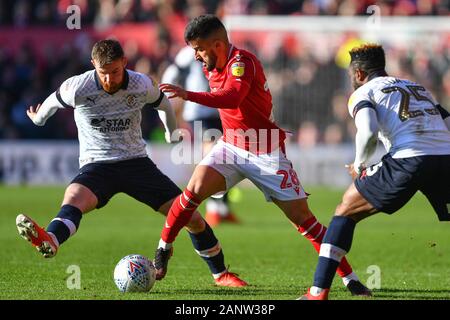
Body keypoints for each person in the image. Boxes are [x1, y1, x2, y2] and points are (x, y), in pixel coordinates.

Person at [153, 14, 371, 296]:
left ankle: (349, 278)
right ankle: (163, 249)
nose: (195, 55)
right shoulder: (211, 65)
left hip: (265, 150)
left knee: (303, 220)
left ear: (217, 44)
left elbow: (233, 98)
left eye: (199, 48)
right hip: (230, 146)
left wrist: (188, 95)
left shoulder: (242, 63)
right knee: (192, 192)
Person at [15, 39, 247, 288]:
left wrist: (171, 131)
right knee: (73, 199)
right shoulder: (77, 87)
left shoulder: (140, 83)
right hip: (98, 165)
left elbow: (163, 103)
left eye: (115, 72)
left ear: (124, 63)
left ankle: (221, 275)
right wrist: (38, 119)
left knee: (190, 217)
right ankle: (50, 239)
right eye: (103, 73)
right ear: (93, 65)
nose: (109, 80)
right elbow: (49, 105)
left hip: (137, 164)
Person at [301, 43, 450, 300]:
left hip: (408, 159)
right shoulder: (416, 86)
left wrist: (359, 165)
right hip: (445, 157)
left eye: (351, 76)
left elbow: (368, 132)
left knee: (345, 211)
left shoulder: (363, 93)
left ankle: (318, 292)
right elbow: (447, 121)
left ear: (358, 74)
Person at [161, 46, 240, 227]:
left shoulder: (225, 51)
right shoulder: (188, 53)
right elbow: (172, 74)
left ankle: (223, 208)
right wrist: (166, 100)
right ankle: (213, 208)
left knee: (227, 157)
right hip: (200, 111)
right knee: (214, 156)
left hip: (222, 109)